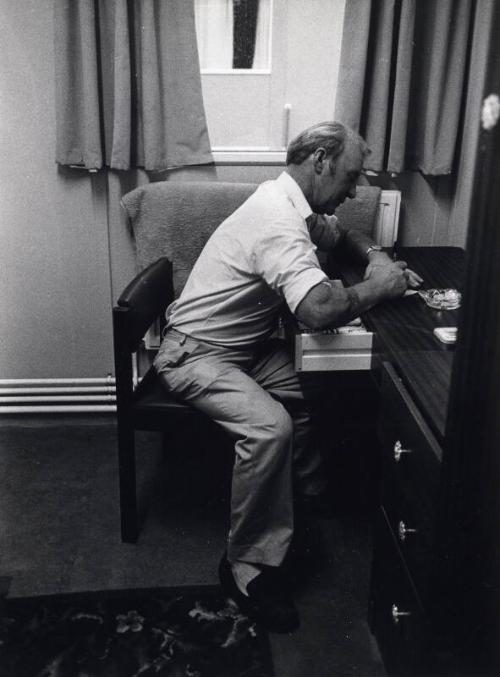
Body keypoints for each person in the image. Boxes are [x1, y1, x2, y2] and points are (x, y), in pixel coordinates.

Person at [153, 121, 422, 632]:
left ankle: (300, 504)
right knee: (269, 428)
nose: (355, 188)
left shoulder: (294, 202)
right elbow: (319, 309)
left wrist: (377, 258)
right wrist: (380, 288)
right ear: (320, 160)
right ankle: (245, 568)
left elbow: (343, 235)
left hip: (242, 350)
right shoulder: (277, 220)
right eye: (351, 174)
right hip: (193, 355)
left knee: (324, 386)